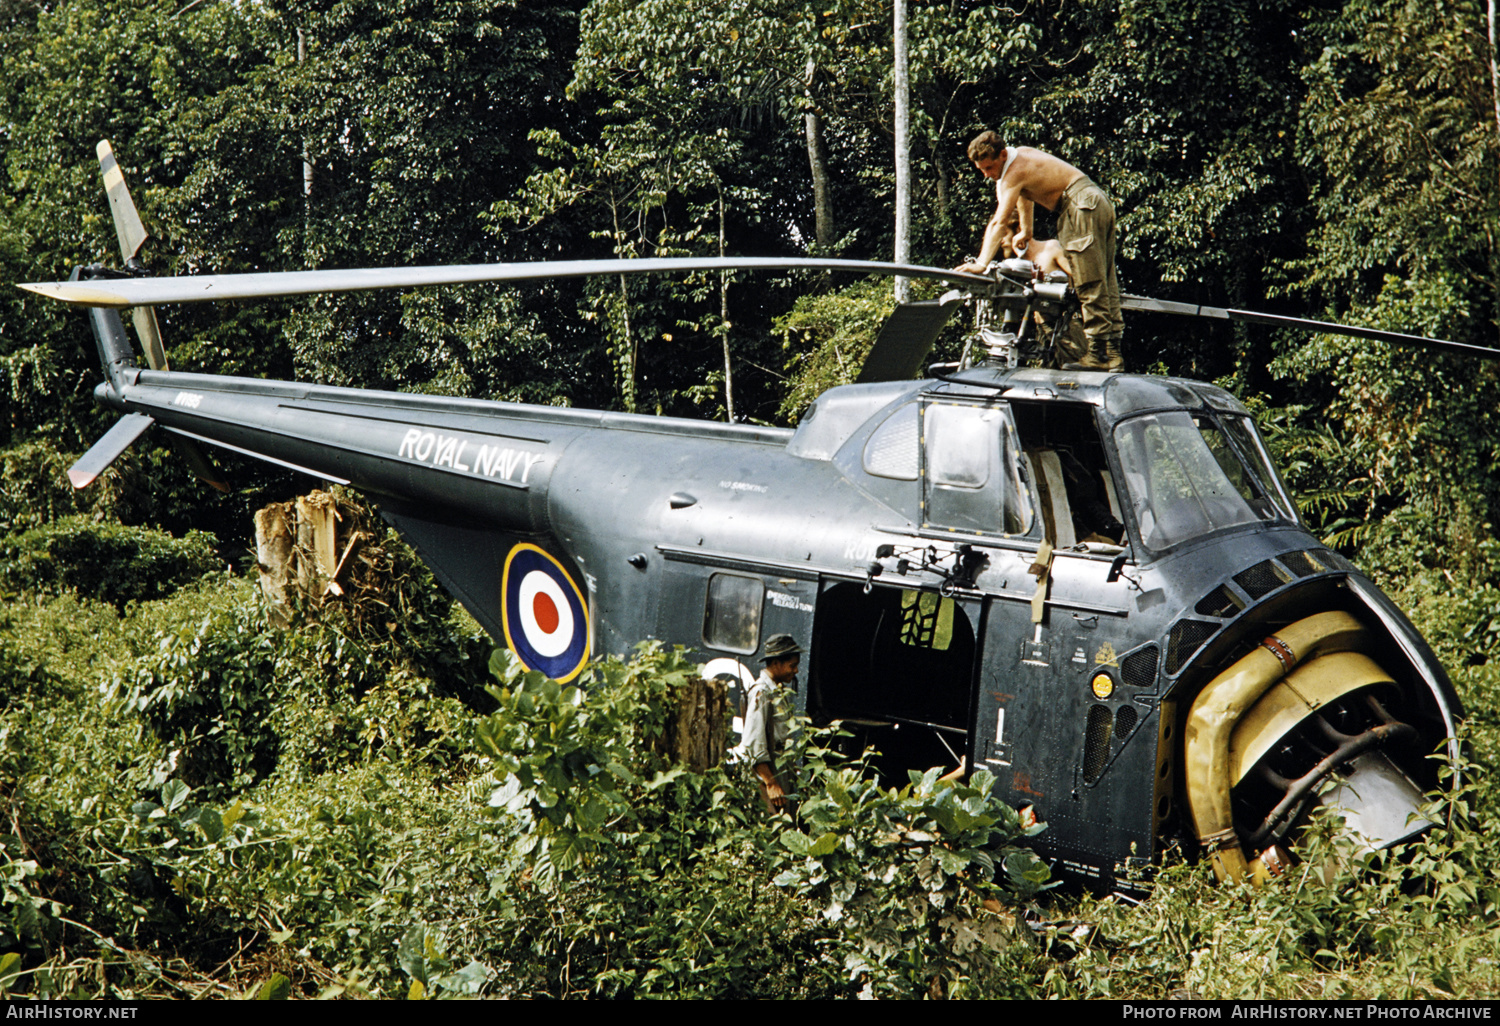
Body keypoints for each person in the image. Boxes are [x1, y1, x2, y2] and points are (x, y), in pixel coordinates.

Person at [955, 131, 1124, 372]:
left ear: (1002, 155)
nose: (986, 175)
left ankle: (1098, 354)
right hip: (1096, 201)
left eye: (989, 167)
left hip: (1079, 207)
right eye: (981, 169)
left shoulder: (1012, 173)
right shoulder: (1021, 157)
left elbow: (999, 222)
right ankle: (1114, 355)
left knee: (1089, 283)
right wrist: (1027, 230)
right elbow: (1026, 196)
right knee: (1106, 282)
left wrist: (982, 263)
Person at [734, 633, 801, 813]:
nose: (795, 671)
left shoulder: (777, 693)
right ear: (776, 663)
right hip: (769, 775)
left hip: (780, 771)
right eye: (792, 666)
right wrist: (771, 783)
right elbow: (754, 745)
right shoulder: (762, 693)